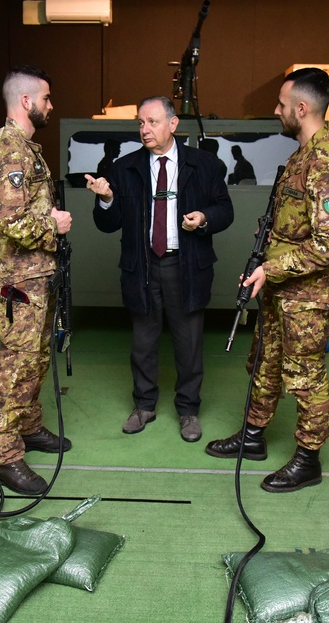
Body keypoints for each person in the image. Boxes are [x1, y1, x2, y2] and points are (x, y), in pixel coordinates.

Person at [205, 68, 329, 493]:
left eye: (281, 104)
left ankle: (308, 459)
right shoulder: (301, 157)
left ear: (301, 109)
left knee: (305, 375)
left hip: (306, 298)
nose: (276, 111)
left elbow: (327, 245)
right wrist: (263, 262)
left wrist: (269, 268)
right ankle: (253, 437)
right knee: (264, 363)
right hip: (279, 291)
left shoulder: (327, 163)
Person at [86, 96, 234, 442]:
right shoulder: (125, 168)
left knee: (189, 344)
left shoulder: (204, 165)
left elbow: (225, 210)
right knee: (143, 342)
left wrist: (204, 218)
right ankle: (144, 406)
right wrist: (106, 198)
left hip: (186, 266)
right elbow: (107, 224)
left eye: (152, 122)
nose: (144, 129)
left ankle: (188, 410)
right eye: (140, 123)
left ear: (173, 123)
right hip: (143, 266)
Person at [0, 65, 73, 496]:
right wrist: (53, 224)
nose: (50, 106)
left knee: (35, 359)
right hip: (21, 278)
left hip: (38, 276)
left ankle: (29, 427)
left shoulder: (26, 149)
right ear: (25, 102)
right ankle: (4, 455)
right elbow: (11, 219)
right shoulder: (9, 152)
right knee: (16, 364)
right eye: (47, 98)